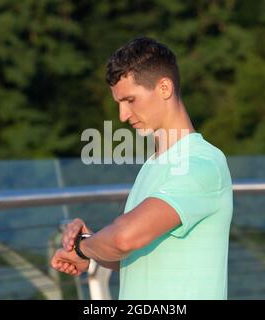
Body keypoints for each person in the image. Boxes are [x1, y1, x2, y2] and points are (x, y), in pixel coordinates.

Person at [51, 37, 233, 299]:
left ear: (164, 88)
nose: (123, 115)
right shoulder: (153, 165)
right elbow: (130, 253)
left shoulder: (200, 164)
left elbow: (125, 238)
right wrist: (91, 243)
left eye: (130, 100)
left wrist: (83, 247)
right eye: (119, 103)